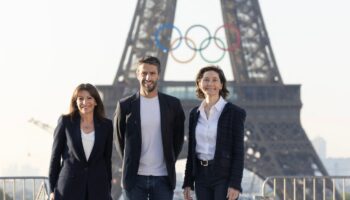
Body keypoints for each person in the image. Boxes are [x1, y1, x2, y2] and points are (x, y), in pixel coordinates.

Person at [114, 56, 185, 200]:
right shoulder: (124, 105)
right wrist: (130, 161)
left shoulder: (173, 105)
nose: (148, 77)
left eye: (152, 73)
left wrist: (168, 159)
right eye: (144, 73)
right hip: (134, 179)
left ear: (158, 74)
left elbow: (178, 140)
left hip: (163, 179)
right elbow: (119, 140)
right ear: (137, 74)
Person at [182, 66, 246, 200]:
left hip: (223, 175)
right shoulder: (194, 114)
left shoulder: (235, 113)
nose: (210, 84)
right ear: (199, 84)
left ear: (221, 85)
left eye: (215, 80)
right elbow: (191, 152)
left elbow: (238, 152)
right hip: (201, 176)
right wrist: (188, 182)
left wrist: (235, 184)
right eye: (206, 80)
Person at [48, 83, 113, 200]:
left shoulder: (106, 125)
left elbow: (107, 159)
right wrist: (52, 189)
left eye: (89, 98)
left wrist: (108, 189)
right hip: (68, 189)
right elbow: (55, 158)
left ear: (96, 101)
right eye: (80, 98)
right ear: (75, 102)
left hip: (98, 189)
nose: (85, 102)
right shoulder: (65, 122)